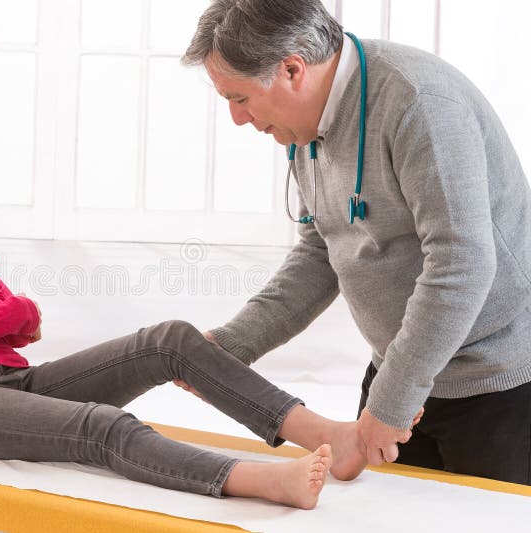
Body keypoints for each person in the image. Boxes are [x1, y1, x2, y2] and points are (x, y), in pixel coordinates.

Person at [0, 104, 380, 510]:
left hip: (18, 381)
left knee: (169, 339)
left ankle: (325, 432)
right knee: (104, 427)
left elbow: (26, 319)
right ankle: (256, 480)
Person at [177, 0, 531, 485]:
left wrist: (392, 399)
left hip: (497, 388)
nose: (239, 119)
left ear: (292, 69)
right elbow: (321, 250)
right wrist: (233, 344)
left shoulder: (419, 102)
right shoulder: (305, 129)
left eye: (239, 98)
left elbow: (462, 263)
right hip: (400, 375)